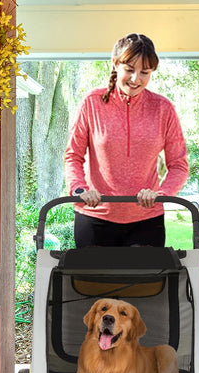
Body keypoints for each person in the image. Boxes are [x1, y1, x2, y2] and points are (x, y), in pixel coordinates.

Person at [64, 33, 189, 247]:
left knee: (146, 281)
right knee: (92, 281)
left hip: (146, 220)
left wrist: (161, 194)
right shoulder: (92, 103)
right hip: (95, 217)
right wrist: (79, 189)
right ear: (115, 64)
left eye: (144, 72)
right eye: (129, 70)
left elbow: (178, 165)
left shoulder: (163, 109)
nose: (135, 79)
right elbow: (73, 156)